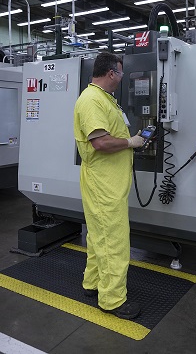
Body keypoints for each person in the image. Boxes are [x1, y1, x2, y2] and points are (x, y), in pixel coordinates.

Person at [74, 52, 144, 320]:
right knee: (113, 242)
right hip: (103, 185)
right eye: (121, 73)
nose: (122, 78)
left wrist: (131, 139)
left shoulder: (104, 99)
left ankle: (92, 284)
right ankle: (112, 300)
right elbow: (100, 143)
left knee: (98, 237)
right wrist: (130, 143)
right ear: (112, 73)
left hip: (108, 182)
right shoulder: (92, 100)